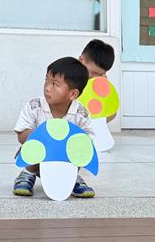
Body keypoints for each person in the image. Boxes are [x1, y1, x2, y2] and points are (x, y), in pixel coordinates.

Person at [13, 56, 95, 198]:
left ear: (73, 94)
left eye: (55, 84)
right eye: (46, 80)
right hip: (36, 159)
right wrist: (42, 136)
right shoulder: (34, 106)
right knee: (34, 146)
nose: (47, 87)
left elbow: (88, 141)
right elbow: (21, 135)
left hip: (65, 159)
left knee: (80, 148)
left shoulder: (80, 113)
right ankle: (27, 174)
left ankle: (73, 177)